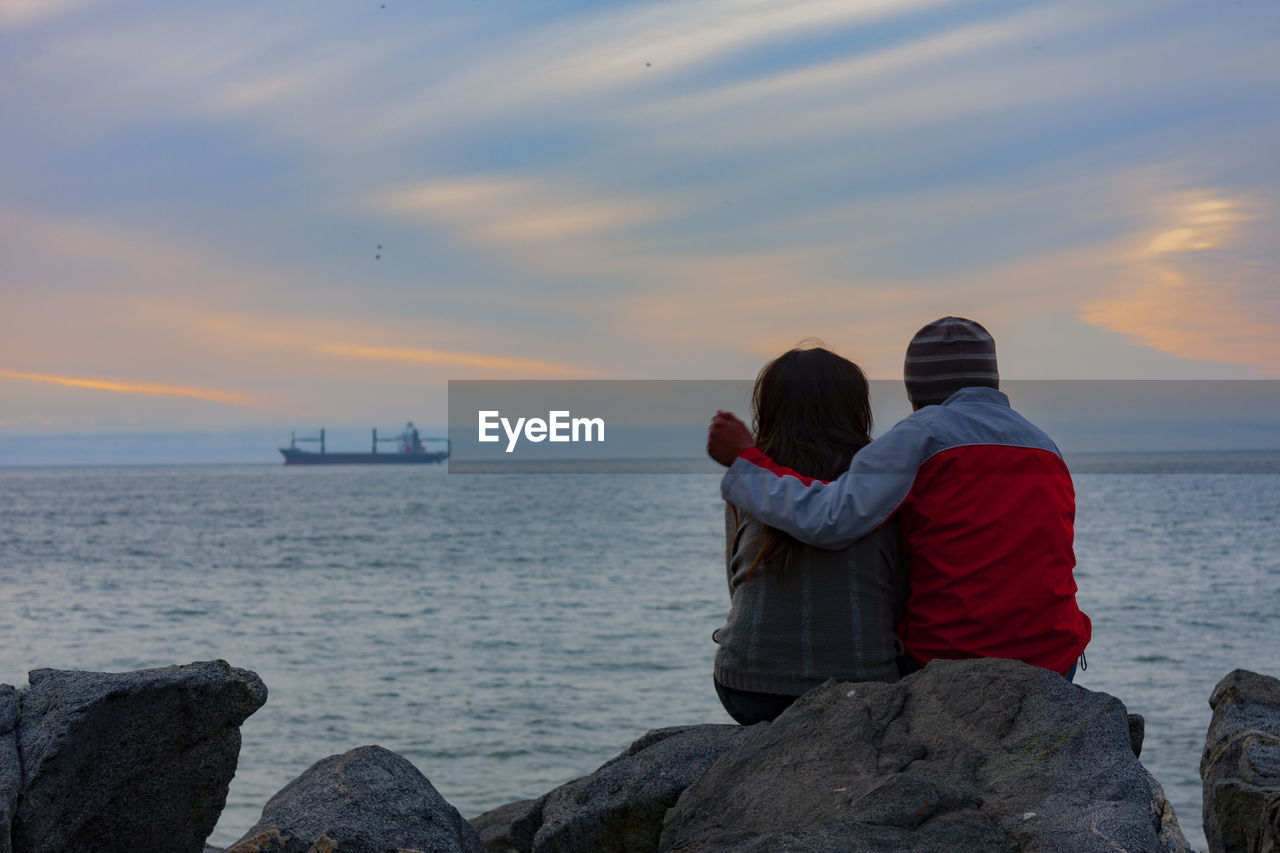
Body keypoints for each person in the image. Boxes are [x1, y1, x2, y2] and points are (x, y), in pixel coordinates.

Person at [707, 317, 1090, 679]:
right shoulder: (1043, 445)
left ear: (916, 394)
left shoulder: (921, 435)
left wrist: (746, 463)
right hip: (1056, 662)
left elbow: (830, 519)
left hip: (953, 662)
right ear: (992, 381)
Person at [713, 346, 908, 726]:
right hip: (863, 688)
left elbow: (735, 586)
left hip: (748, 689)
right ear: (856, 407)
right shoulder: (883, 485)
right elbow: (900, 593)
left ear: (768, 408)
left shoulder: (751, 484)